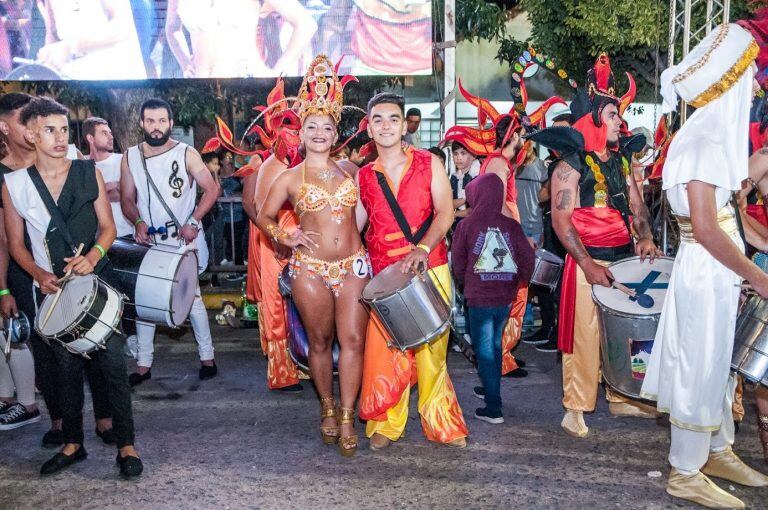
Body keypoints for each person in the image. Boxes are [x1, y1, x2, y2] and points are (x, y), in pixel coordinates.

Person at [640, 24, 768, 508]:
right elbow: (707, 230)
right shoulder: (702, 142)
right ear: (729, 84)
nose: (755, 88)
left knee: (717, 369)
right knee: (699, 368)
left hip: (718, 270)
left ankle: (716, 449)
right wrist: (759, 277)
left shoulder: (712, 139)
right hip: (704, 271)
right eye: (751, 78)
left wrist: (757, 259)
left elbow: (729, 220)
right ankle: (685, 470)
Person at [2, 97, 141, 478]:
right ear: (30, 134)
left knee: (112, 363)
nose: (60, 137)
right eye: (50, 129)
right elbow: (15, 244)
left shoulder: (86, 171)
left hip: (97, 280)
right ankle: (73, 443)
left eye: (64, 129)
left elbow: (109, 228)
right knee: (64, 371)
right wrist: (37, 274)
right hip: (52, 290)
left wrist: (94, 255)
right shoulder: (14, 184)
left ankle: (126, 445)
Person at [529, 54, 661, 438]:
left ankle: (624, 396)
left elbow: (636, 206)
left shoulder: (622, 162)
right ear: (592, 120)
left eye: (620, 115)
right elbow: (560, 219)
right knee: (583, 338)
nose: (620, 122)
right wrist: (586, 264)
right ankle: (576, 407)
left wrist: (647, 236)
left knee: (625, 332)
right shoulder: (569, 165)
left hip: (623, 263)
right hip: (587, 264)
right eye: (612, 116)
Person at [257, 55, 366, 456]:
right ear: (300, 132)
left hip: (353, 266)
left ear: (336, 132)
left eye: (327, 127)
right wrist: (284, 233)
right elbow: (264, 216)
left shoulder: (352, 171)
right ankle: (326, 405)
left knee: (353, 340)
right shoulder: (289, 177)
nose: (320, 133)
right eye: (312, 127)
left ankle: (348, 415)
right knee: (320, 343)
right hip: (310, 268)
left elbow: (369, 213)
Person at [357, 92, 468, 450]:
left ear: (405, 125)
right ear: (370, 129)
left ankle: (442, 423)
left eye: (393, 119)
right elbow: (355, 225)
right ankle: (388, 424)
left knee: (432, 354)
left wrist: (422, 248)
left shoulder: (428, 163)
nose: (386, 125)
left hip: (429, 266)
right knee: (387, 351)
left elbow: (445, 212)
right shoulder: (363, 176)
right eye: (378, 120)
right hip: (385, 277)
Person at [120, 98, 221, 384]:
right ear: (142, 123)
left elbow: (211, 190)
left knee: (193, 299)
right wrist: (137, 221)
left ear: (171, 123)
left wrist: (193, 221)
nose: (156, 127)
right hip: (150, 241)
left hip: (183, 237)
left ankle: (207, 358)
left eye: (162, 121)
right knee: (144, 299)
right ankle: (143, 365)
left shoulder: (187, 153)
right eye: (150, 121)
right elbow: (127, 198)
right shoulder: (130, 156)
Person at [451, 173, 535, 424]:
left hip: (478, 296)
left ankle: (493, 406)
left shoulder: (467, 225)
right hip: (504, 296)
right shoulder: (511, 225)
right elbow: (527, 257)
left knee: (485, 348)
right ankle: (490, 386)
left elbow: (458, 260)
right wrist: (520, 278)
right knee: (496, 344)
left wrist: (465, 282)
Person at [0, 92, 39, 431]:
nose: (31, 128)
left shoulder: (56, 159)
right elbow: (3, 240)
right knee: (16, 330)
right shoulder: (2, 174)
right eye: (22, 120)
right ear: (4, 126)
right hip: (19, 266)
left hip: (60, 263)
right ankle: (20, 403)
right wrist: (2, 288)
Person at [165, 0, 316, 78]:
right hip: (200, 89)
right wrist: (185, 63)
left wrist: (276, 74)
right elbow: (172, 28)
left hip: (244, 81)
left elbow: (306, 24)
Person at [36, 0, 146, 80]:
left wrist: (70, 46)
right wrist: (47, 58)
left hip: (115, 72)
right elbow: (52, 32)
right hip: (75, 77)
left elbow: (123, 26)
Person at [83, 117, 133, 238]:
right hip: (97, 239)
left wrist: (95, 192)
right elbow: (82, 201)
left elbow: (125, 195)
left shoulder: (123, 160)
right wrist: (113, 186)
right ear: (90, 138)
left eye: (110, 133)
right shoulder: (82, 164)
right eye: (104, 133)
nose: (111, 137)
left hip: (126, 234)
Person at [449, 141, 480, 231]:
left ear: (473, 155)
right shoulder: (454, 177)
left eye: (463, 153)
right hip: (458, 226)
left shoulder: (479, 176)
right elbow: (448, 204)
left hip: (475, 225)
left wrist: (454, 214)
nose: (459, 158)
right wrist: (464, 199)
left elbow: (474, 210)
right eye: (455, 154)